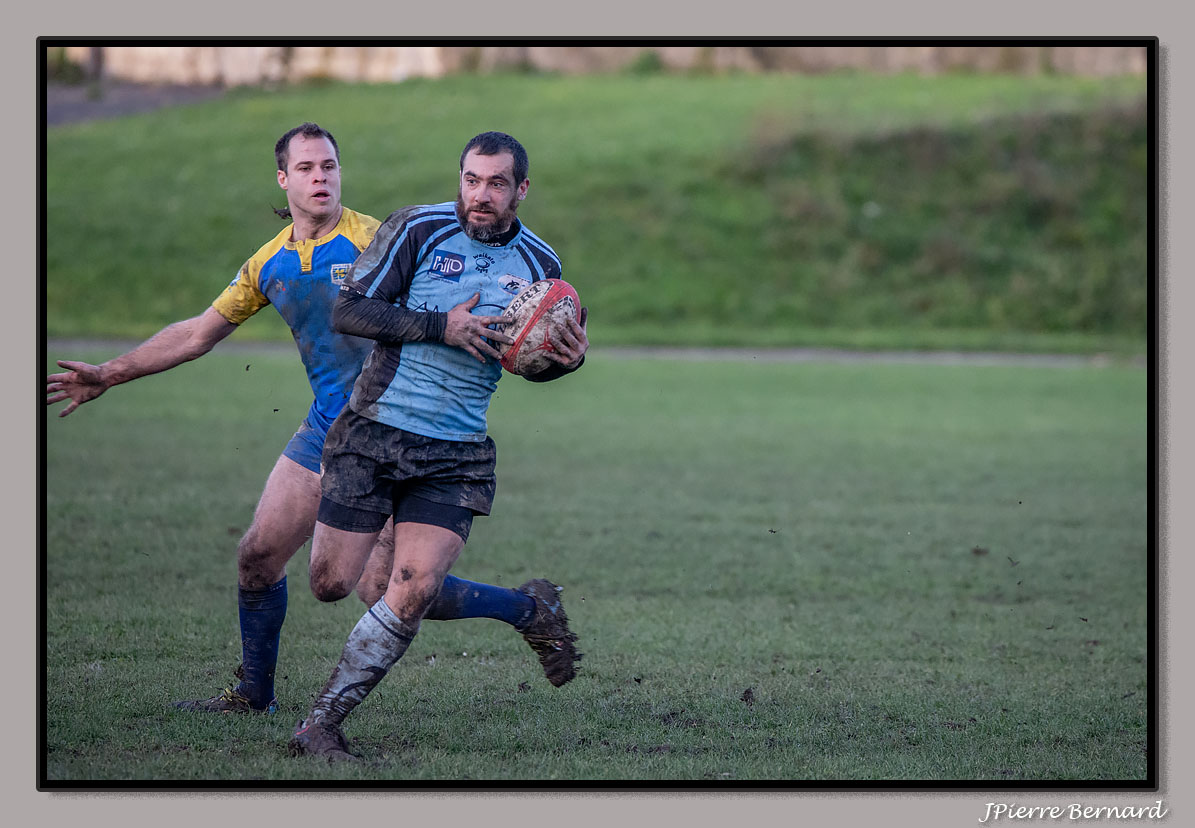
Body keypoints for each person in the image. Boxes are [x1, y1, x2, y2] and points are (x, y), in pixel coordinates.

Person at [45, 123, 577, 718]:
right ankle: (254, 694)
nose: (320, 178)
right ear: (283, 179)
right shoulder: (270, 262)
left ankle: (525, 609)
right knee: (258, 556)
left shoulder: (380, 237)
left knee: (383, 588)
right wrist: (110, 372)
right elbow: (197, 334)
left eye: (329, 166)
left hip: (392, 432)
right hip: (327, 427)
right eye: (306, 168)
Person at [288, 131, 588, 761]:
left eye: (497, 184)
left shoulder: (541, 264)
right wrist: (440, 326)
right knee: (332, 582)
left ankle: (321, 724)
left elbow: (528, 360)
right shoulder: (417, 230)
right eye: (471, 180)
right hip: (374, 433)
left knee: (413, 586)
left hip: (455, 451)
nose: (480, 195)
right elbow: (351, 312)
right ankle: (526, 607)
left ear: (521, 189)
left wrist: (566, 359)